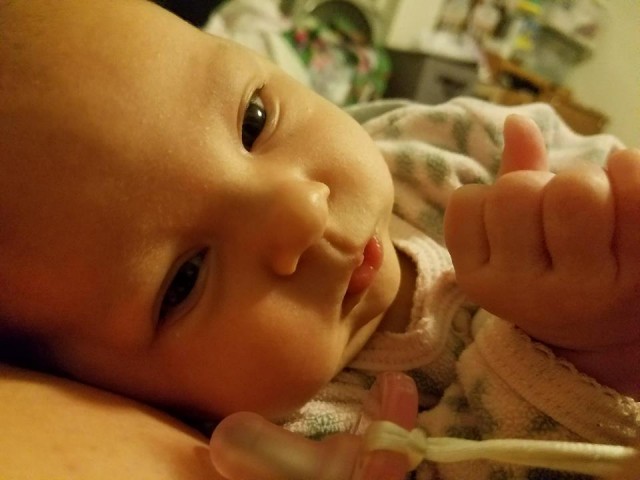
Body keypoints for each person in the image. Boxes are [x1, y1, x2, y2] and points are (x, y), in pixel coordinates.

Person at [0, 0, 637, 478]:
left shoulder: (441, 144)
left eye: (254, 120)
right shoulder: (315, 445)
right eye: (185, 279)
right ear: (104, 391)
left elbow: (603, 168)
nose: (302, 211)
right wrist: (583, 354)